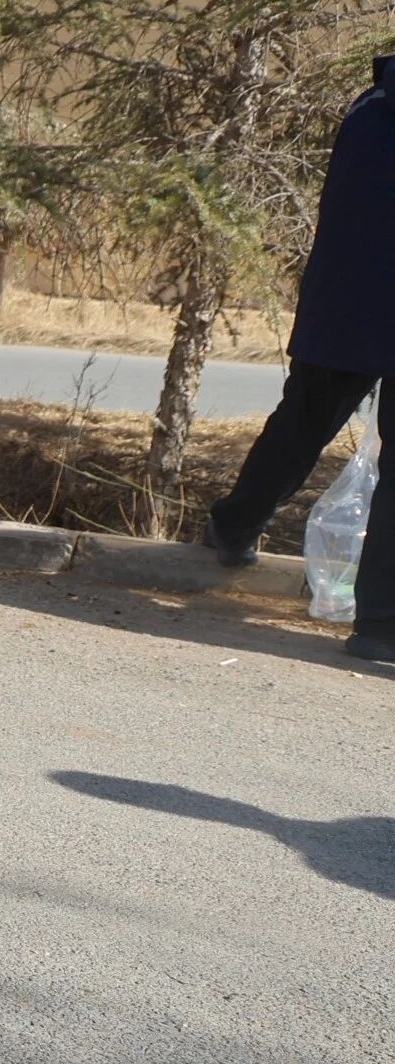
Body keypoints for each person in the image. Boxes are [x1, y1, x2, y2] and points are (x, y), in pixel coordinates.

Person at [207, 55, 394, 663]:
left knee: (302, 423)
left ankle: (236, 526)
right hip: (352, 301)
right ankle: (380, 626)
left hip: (346, 306)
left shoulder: (371, 110)